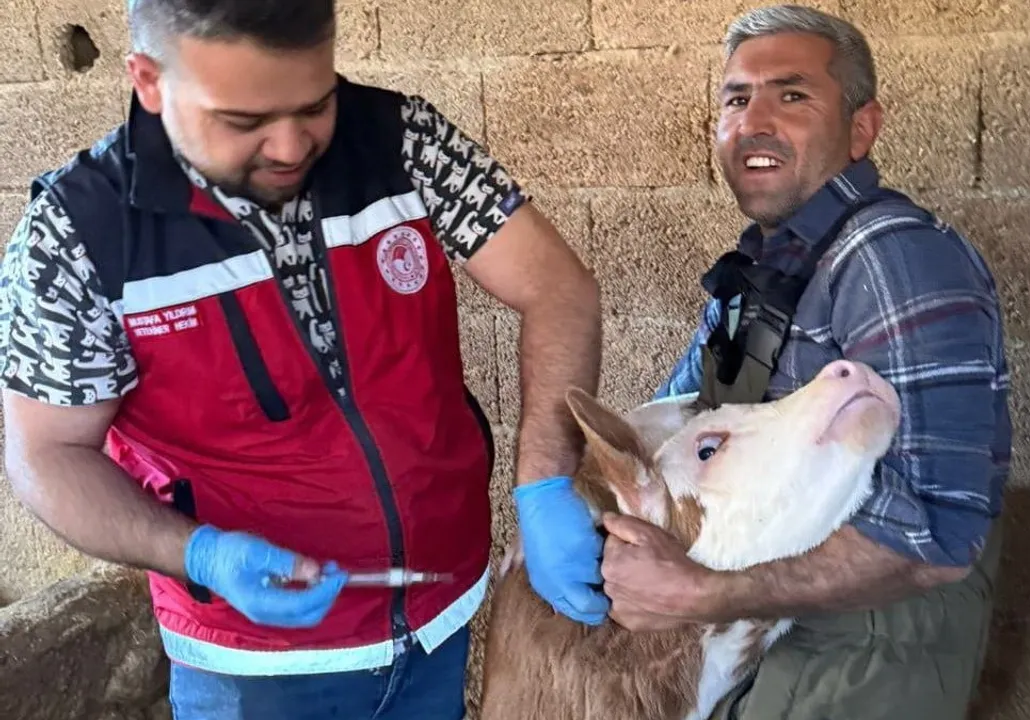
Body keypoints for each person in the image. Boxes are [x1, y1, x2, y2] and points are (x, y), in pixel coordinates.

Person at [0, 1, 610, 718]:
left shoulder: (398, 139)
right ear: (149, 81)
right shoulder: (77, 235)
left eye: (315, 105)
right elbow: (47, 453)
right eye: (243, 122)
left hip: (440, 617)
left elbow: (558, 288)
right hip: (253, 667)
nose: (291, 146)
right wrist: (198, 554)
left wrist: (543, 482)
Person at [595, 5, 1013, 720]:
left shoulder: (891, 259)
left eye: (791, 95)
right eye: (736, 98)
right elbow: (680, 415)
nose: (755, 119)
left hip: (871, 631)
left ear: (862, 127)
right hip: (771, 610)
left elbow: (933, 542)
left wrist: (701, 594)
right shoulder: (761, 268)